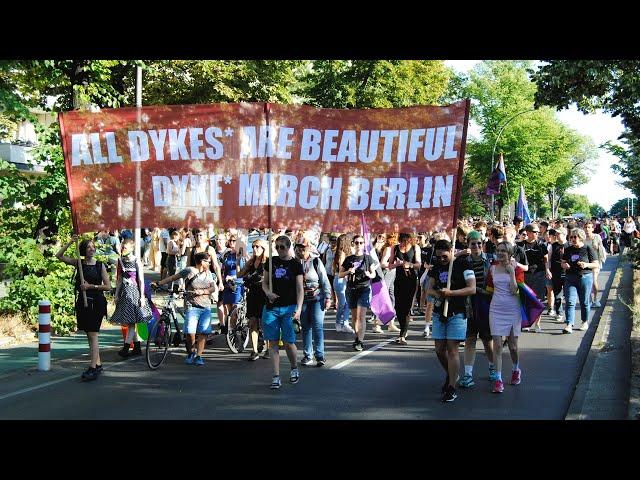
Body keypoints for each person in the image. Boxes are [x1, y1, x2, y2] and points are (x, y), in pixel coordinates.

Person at [425, 239, 476, 402]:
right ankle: (451, 373)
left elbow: (472, 288)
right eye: (438, 257)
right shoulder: (436, 266)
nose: (441, 260)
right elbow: (429, 289)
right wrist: (439, 293)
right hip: (440, 312)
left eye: (444, 257)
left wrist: (451, 293)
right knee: (439, 349)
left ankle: (452, 386)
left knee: (452, 349)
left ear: (451, 251)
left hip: (458, 312)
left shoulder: (464, 264)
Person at [56, 236, 110, 381]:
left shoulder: (100, 265)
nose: (91, 249)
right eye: (88, 247)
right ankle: (98, 363)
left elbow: (108, 286)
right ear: (83, 250)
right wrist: (70, 242)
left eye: (93, 247)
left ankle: (92, 368)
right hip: (83, 302)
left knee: (93, 335)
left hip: (96, 302)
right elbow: (59, 256)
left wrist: (91, 286)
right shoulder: (79, 263)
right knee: (89, 334)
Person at [152, 252, 217, 365]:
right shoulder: (189, 271)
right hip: (192, 305)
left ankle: (199, 356)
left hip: (205, 306)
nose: (210, 263)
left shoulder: (209, 274)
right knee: (190, 331)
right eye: (208, 261)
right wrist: (159, 283)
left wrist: (203, 291)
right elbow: (173, 277)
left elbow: (212, 288)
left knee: (203, 332)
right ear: (202, 262)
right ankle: (191, 352)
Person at [261, 235, 304, 389]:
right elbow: (264, 283)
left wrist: (298, 308)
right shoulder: (270, 262)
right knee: (272, 342)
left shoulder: (295, 264)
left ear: (288, 247)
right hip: (272, 307)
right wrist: (268, 293)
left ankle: (294, 368)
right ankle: (276, 375)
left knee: (288, 342)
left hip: (289, 307)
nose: (279, 250)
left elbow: (300, 288)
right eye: (277, 247)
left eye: (282, 247)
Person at [458, 231, 498, 388]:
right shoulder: (463, 261)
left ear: (483, 244)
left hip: (487, 303)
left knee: (487, 339)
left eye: (479, 243)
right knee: (470, 338)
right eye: (473, 243)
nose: (476, 246)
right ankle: (468, 374)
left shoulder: (491, 259)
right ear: (468, 244)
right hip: (468, 303)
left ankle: (493, 367)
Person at [486, 241, 525, 394]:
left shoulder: (517, 268)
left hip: (513, 310)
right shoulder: (493, 268)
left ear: (510, 253)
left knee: (512, 346)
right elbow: (489, 289)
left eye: (503, 251)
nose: (500, 253)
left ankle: (516, 369)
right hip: (496, 309)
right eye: (498, 250)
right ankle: (498, 379)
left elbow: (516, 291)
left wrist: (512, 274)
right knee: (497, 345)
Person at [109, 237, 153, 357]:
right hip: (125, 292)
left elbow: (141, 280)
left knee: (131, 322)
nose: (123, 249)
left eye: (125, 247)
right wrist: (116, 295)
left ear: (132, 248)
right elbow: (119, 280)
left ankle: (126, 347)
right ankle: (137, 347)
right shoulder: (121, 261)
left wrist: (142, 297)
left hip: (134, 293)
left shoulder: (136, 261)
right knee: (130, 322)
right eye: (122, 247)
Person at [295, 235, 332, 367]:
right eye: (298, 248)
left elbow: (324, 280)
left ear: (308, 248)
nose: (300, 251)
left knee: (317, 326)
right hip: (302, 300)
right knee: (305, 327)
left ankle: (320, 355)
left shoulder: (316, 262)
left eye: (303, 248)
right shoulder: (294, 263)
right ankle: (307, 355)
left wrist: (328, 297)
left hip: (317, 298)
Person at [339, 234, 379, 351]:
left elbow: (373, 274)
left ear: (363, 245)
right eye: (357, 242)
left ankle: (360, 341)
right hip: (351, 289)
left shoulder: (367, 258)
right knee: (355, 317)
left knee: (361, 316)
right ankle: (356, 338)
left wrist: (369, 274)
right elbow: (340, 274)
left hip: (364, 289)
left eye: (361, 243)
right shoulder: (349, 259)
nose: (359, 245)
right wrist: (348, 272)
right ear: (353, 244)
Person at [561, 228, 599, 334]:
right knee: (569, 302)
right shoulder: (568, 249)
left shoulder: (588, 248)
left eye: (575, 237)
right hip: (570, 278)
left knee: (584, 302)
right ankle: (569, 324)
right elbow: (562, 263)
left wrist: (586, 265)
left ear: (581, 237)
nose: (573, 239)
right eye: (571, 237)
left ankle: (584, 321)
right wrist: (565, 265)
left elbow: (596, 264)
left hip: (585, 278)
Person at [237, 239, 268, 361]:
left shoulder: (268, 262)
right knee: (253, 323)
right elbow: (239, 274)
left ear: (263, 248)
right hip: (253, 294)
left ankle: (268, 349)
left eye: (258, 247)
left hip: (264, 294)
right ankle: (254, 350)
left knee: (265, 323)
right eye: (253, 246)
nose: (255, 249)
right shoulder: (251, 262)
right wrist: (238, 260)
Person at [390, 233, 421, 344]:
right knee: (398, 308)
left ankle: (402, 334)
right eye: (402, 241)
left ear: (410, 240)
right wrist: (397, 264)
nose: (404, 243)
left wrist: (410, 265)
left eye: (406, 241)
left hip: (411, 280)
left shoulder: (415, 247)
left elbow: (419, 264)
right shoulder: (394, 248)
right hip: (399, 280)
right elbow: (390, 266)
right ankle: (403, 330)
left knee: (407, 307)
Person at [517, 223, 549, 333]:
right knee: (525, 300)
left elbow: (546, 259)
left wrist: (547, 270)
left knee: (537, 300)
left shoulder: (541, 245)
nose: (537, 234)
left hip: (539, 274)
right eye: (535, 232)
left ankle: (537, 323)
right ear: (529, 233)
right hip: (524, 275)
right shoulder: (521, 246)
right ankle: (526, 323)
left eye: (538, 232)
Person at [333, 233, 355, 333]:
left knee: (346, 303)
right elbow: (342, 267)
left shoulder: (343, 253)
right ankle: (338, 322)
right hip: (341, 279)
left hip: (343, 279)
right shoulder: (341, 253)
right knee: (342, 303)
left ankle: (345, 323)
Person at [584, 220, 606, 308]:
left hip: (595, 262)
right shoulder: (582, 238)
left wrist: (598, 247)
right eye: (585, 227)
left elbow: (602, 247)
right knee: (586, 282)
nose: (587, 229)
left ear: (593, 228)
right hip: (585, 262)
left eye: (589, 227)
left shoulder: (597, 237)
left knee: (593, 280)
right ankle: (589, 299)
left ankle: (596, 299)